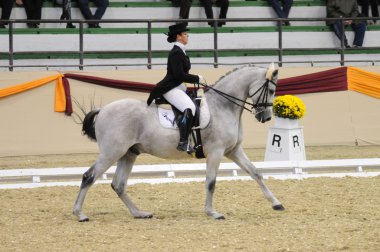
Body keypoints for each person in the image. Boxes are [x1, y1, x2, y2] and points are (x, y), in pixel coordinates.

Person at [147, 23, 205, 152]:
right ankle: (183, 142)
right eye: (185, 34)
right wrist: (196, 78)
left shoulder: (181, 51)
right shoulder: (176, 53)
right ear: (178, 37)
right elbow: (179, 75)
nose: (187, 35)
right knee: (189, 108)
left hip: (179, 87)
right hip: (170, 88)